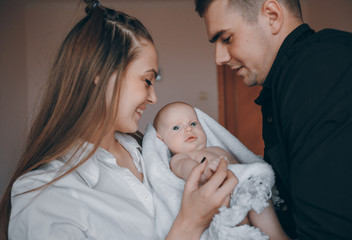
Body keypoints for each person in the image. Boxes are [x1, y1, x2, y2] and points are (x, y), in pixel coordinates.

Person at [0, 1, 239, 239]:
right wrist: (189, 225)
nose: (154, 97)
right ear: (101, 76)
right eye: (147, 80)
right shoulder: (44, 195)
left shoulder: (150, 149)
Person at [194, 0, 352, 239]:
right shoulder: (288, 80)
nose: (219, 58)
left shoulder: (317, 74)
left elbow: (330, 228)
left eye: (227, 38)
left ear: (272, 15)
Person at [153, 101, 289, 240]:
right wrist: (204, 173)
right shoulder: (180, 158)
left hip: (243, 188)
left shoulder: (217, 149)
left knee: (258, 200)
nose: (188, 129)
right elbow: (188, 170)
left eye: (193, 124)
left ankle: (278, 236)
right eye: (176, 127)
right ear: (161, 138)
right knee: (243, 223)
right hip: (221, 202)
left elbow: (241, 167)